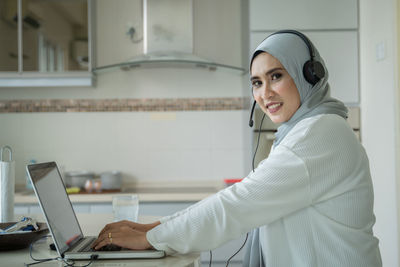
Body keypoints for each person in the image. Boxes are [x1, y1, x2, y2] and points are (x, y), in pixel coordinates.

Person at [92, 30, 382, 266]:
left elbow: (237, 204)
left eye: (276, 76)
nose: (264, 93)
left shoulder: (320, 133)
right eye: (256, 83)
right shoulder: (309, 129)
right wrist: (151, 229)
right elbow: (242, 200)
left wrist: (150, 238)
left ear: (309, 75)